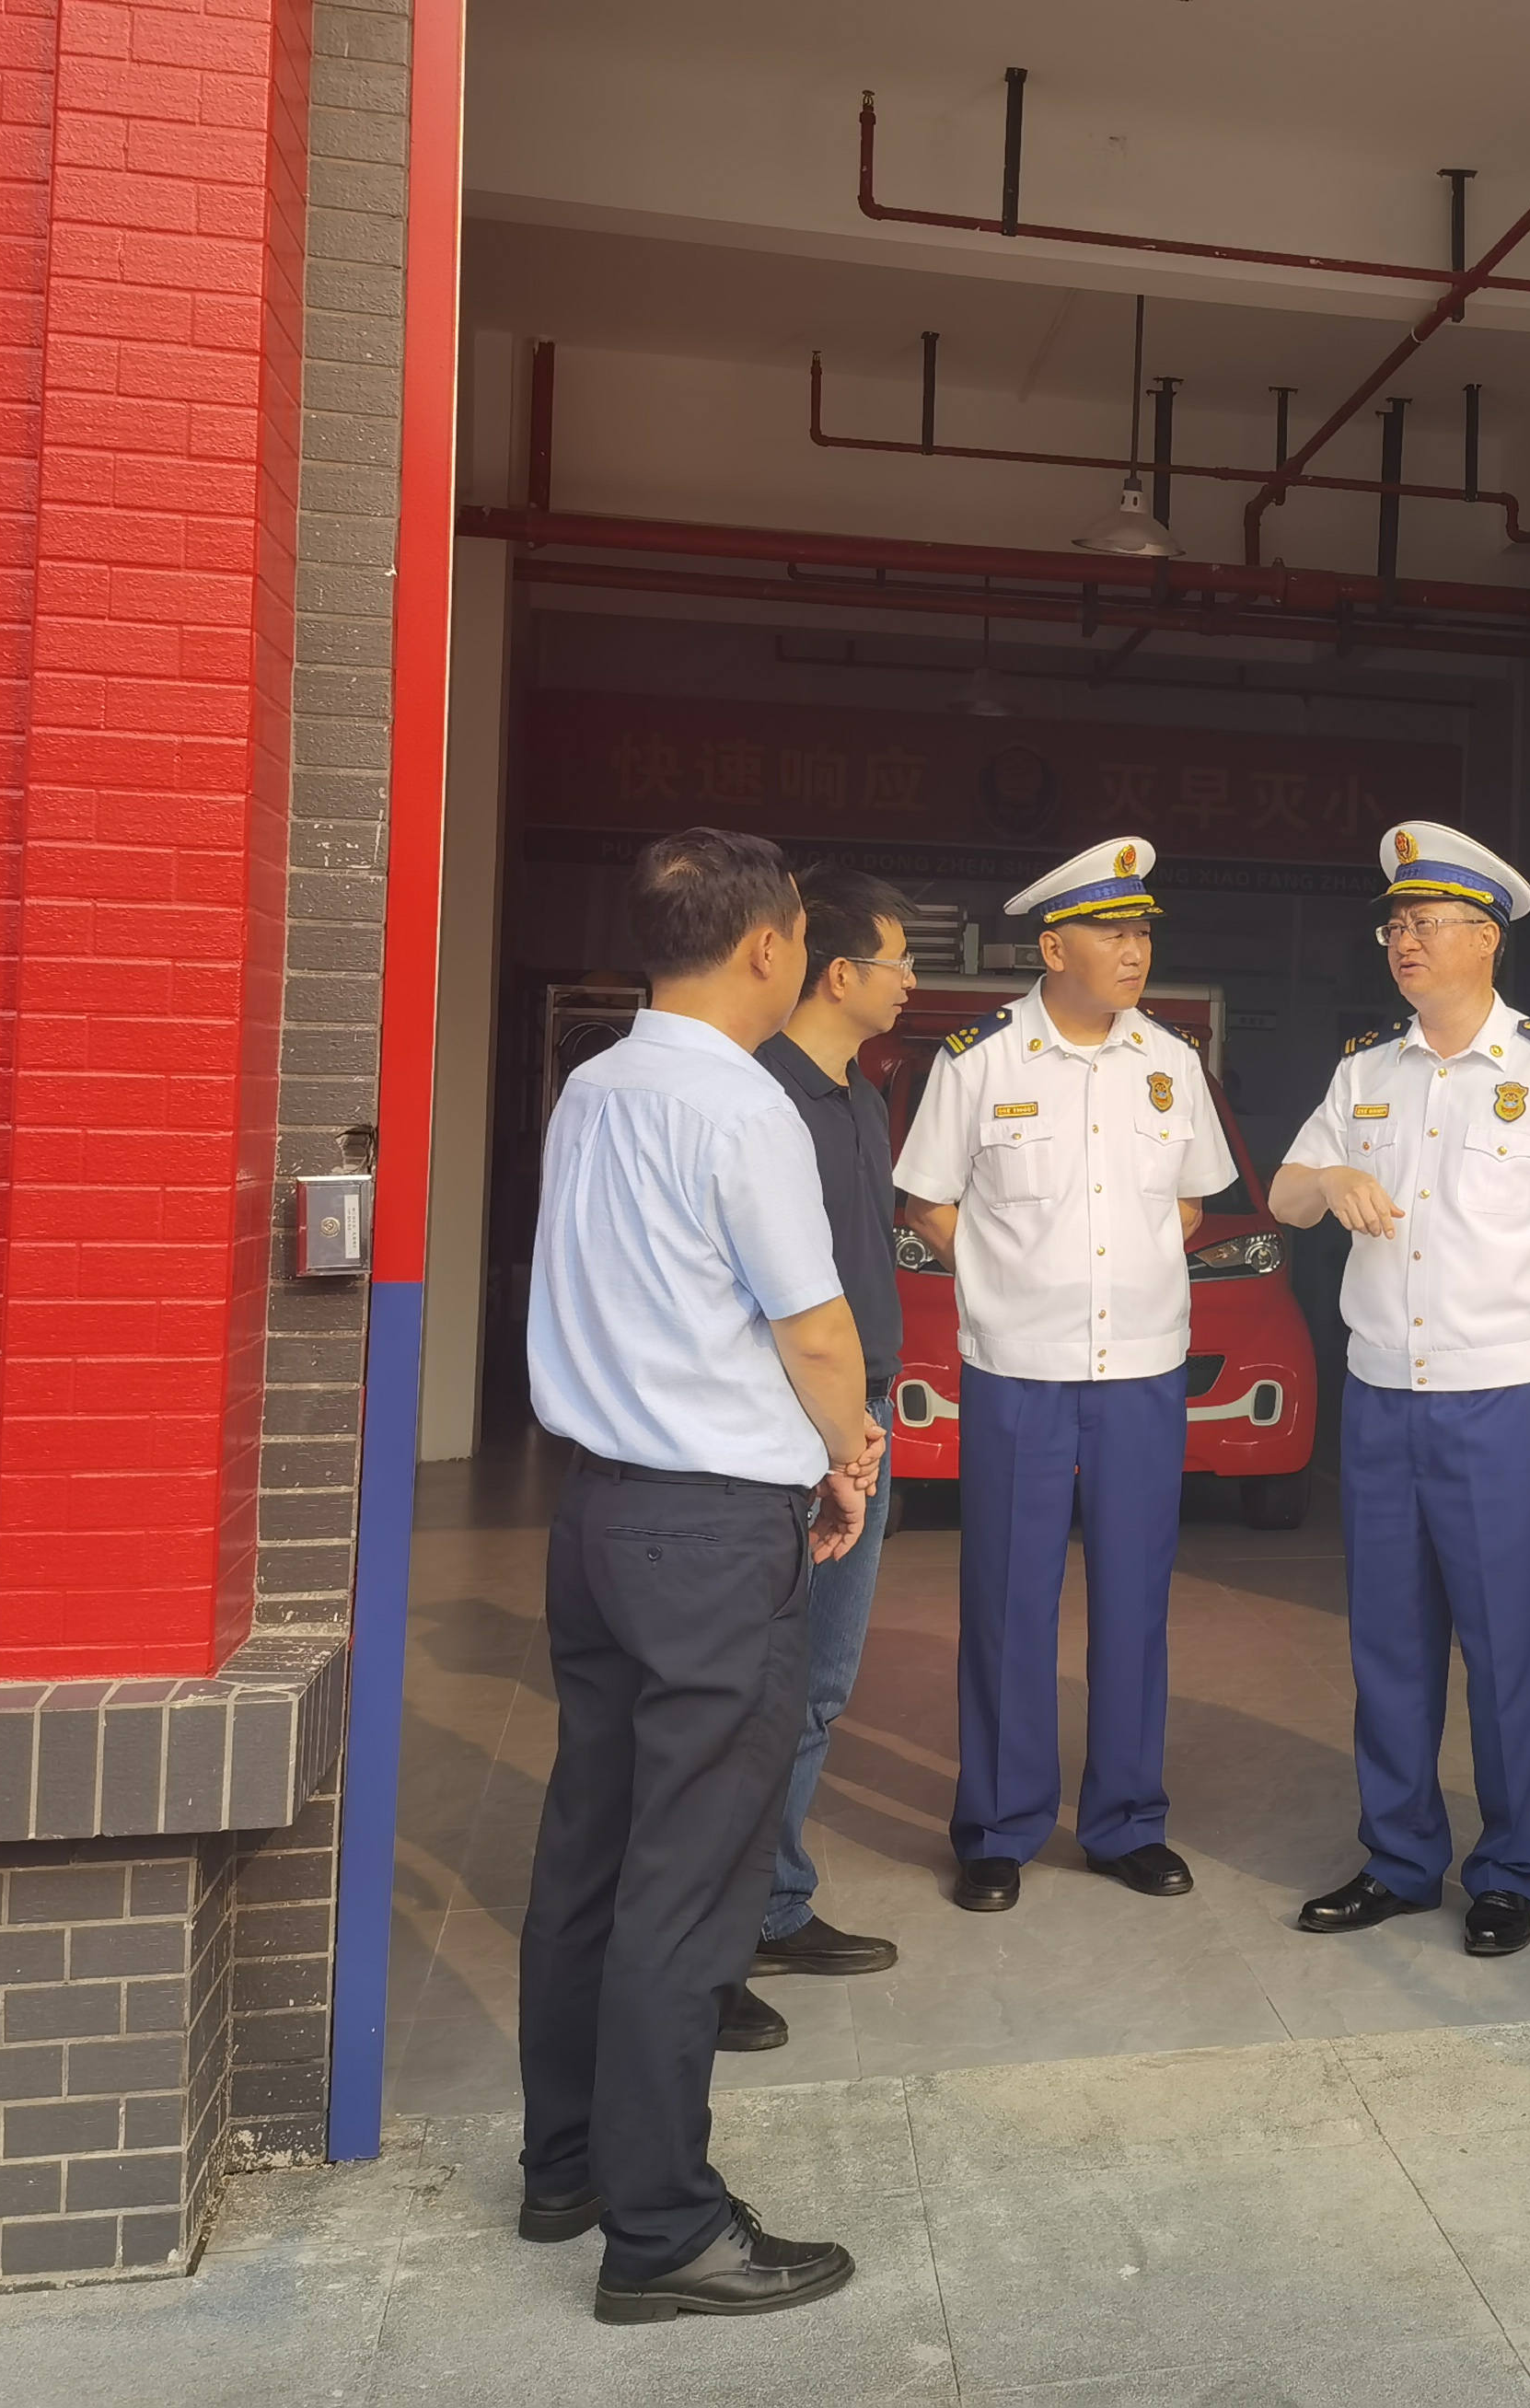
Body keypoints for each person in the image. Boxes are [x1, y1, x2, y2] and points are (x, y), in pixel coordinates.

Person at [516, 828, 880, 2323]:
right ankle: (664, 2230)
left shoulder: (596, 1085)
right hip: (712, 1535)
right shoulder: (743, 1106)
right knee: (689, 1879)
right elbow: (814, 1326)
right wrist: (849, 1451)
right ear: (768, 947)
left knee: (590, 1854)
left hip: (598, 1518)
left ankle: (567, 2168)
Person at [1273, 820, 1530, 1958]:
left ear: (1486, 937)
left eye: (1427, 923)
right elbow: (1283, 1195)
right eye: (1395, 924)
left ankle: (1512, 1871)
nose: (1405, 941)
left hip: (1499, 1398)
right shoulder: (1364, 1071)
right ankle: (1397, 1859)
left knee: (1506, 1646)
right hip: (1382, 1392)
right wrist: (1331, 1177)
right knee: (1388, 1643)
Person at [895, 837, 1235, 1912]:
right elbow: (928, 1204)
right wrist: (1010, 1283)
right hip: (1018, 1369)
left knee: (1135, 1598)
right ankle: (998, 1827)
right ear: (1053, 947)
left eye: (1142, 934)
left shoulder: (1171, 1062)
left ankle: (1127, 1821)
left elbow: (1191, 1202)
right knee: (1008, 1598)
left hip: (1141, 1370)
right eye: (1112, 933)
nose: (1135, 951)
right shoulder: (978, 1060)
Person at [719, 864, 921, 2055]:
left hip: (862, 1415)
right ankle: (719, 1934)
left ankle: (773, 1904)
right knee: (755, 1687)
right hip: (786, 1424)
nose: (911, 981)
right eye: (899, 961)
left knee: (821, 1683)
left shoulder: (863, 1099)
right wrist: (827, 1429)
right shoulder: (759, 1099)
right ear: (838, 973)